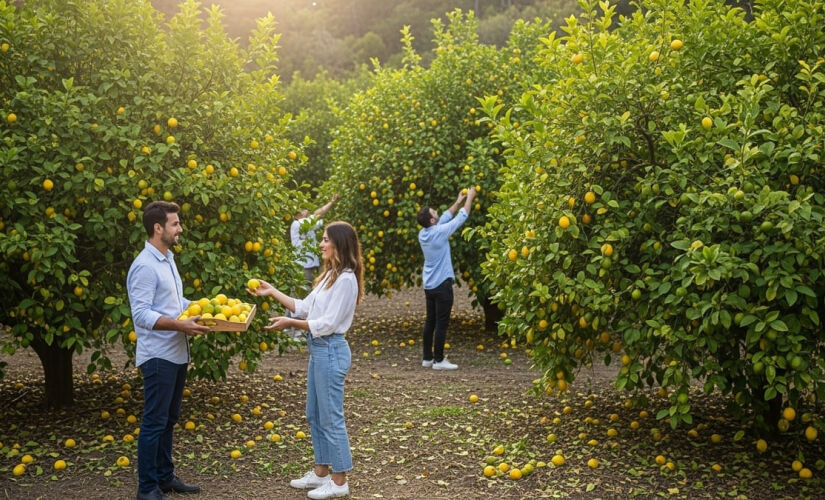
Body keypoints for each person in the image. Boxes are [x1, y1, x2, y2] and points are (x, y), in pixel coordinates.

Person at [249, 221, 363, 500]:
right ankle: (321, 472)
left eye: (325, 240)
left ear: (339, 244)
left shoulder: (347, 279)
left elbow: (327, 323)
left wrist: (291, 323)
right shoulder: (329, 276)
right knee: (314, 413)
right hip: (319, 351)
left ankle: (339, 482)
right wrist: (272, 291)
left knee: (331, 417)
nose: (321, 244)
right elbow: (304, 307)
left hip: (331, 349)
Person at [126, 201, 210, 500]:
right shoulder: (145, 266)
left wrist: (204, 309)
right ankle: (147, 488)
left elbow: (173, 303)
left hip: (176, 354)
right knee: (153, 422)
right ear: (157, 228)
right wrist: (180, 324)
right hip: (158, 357)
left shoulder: (167, 258)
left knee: (169, 420)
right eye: (175, 224)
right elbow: (142, 316)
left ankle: (164, 477)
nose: (180, 229)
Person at [416, 186, 476, 371]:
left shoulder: (424, 233)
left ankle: (427, 358)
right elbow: (461, 217)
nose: (438, 213)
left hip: (429, 285)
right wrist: (469, 199)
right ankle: (439, 360)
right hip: (442, 285)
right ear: (432, 220)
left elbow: (445, 217)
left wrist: (457, 202)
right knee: (442, 323)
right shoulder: (439, 233)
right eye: (435, 213)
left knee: (430, 321)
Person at [291, 194, 341, 291]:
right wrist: (332, 202)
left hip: (310, 264)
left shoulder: (308, 225)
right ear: (298, 214)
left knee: (311, 290)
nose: (307, 211)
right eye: (304, 209)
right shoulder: (298, 224)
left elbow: (321, 221)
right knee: (301, 292)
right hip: (302, 266)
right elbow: (319, 214)